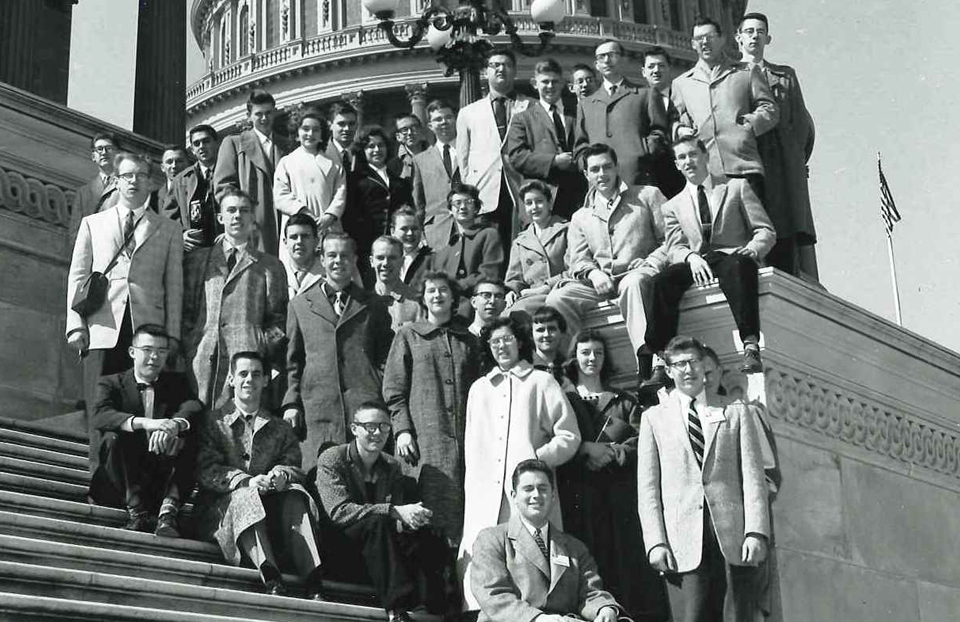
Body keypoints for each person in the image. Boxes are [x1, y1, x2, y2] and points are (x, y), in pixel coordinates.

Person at [637, 336, 770, 622]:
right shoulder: (654, 419)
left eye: (694, 362)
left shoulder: (735, 411)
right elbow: (648, 489)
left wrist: (756, 532)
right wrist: (655, 542)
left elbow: (753, 477)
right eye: (680, 364)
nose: (688, 370)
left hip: (733, 539)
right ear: (669, 371)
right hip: (680, 543)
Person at [66, 151, 183, 471]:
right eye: (127, 176)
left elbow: (174, 286)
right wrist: (76, 325)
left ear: (151, 182)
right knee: (99, 405)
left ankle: (136, 486)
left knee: (143, 405)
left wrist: (171, 336)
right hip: (102, 326)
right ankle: (97, 476)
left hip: (148, 329)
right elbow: (78, 276)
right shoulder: (93, 224)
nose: (134, 181)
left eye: (141, 176)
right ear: (116, 181)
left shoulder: (168, 229)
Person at [459, 316, 580, 613]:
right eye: (495, 342)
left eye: (508, 339)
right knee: (486, 563)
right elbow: (471, 447)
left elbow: (569, 435)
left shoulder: (541, 381)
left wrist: (538, 461)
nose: (501, 346)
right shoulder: (479, 389)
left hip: (529, 492)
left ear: (521, 343)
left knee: (531, 563)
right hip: (485, 494)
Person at [638, 137, 775, 385]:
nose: (688, 161)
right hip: (698, 261)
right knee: (660, 281)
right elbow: (675, 246)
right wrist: (690, 257)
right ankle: (660, 357)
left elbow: (765, 231)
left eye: (692, 154)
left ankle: (750, 344)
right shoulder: (673, 206)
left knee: (739, 265)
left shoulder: (736, 187)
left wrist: (753, 249)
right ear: (676, 165)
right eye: (681, 158)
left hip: (730, 256)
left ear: (705, 156)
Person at [555, 330, 668, 622]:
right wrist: (585, 452)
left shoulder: (624, 400)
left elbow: (643, 440)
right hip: (581, 495)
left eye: (598, 352)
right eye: (585, 352)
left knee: (625, 562)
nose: (592, 358)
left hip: (619, 496)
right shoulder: (564, 400)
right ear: (574, 358)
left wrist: (613, 453)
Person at [195, 351, 324, 598]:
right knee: (245, 496)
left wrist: (280, 476)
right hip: (221, 511)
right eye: (243, 374)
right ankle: (272, 577)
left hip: (270, 510)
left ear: (266, 380)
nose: (249, 380)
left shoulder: (279, 427)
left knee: (296, 494)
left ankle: (313, 578)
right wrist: (245, 481)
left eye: (256, 374)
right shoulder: (213, 422)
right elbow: (206, 468)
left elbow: (293, 464)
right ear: (231, 379)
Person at [316, 402, 455, 622]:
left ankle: (436, 605)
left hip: (379, 552)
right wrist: (393, 511)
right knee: (377, 523)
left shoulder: (391, 465)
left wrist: (412, 519)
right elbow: (339, 512)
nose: (378, 433)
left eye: (384, 427)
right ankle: (396, 609)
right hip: (339, 547)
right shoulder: (333, 458)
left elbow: (396, 521)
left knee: (426, 534)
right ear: (354, 429)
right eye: (370, 427)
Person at [382, 271, 480, 547]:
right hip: (422, 445)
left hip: (463, 445)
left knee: (459, 519)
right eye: (431, 291)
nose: (437, 295)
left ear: (453, 298)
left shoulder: (468, 341)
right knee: (425, 517)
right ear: (423, 299)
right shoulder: (408, 335)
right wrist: (402, 431)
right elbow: (393, 390)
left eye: (443, 291)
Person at [545, 144, 668, 356]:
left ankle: (646, 360)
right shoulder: (581, 217)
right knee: (557, 299)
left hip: (639, 275)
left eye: (606, 167)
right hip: (601, 284)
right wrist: (594, 273)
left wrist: (650, 262)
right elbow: (578, 260)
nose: (602, 174)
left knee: (633, 283)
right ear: (586, 174)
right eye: (594, 170)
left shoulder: (647, 196)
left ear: (616, 168)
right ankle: (575, 365)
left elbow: (672, 239)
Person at [283, 232, 394, 467]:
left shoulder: (373, 305)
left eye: (344, 256)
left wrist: (376, 387)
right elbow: (293, 362)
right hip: (318, 410)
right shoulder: (300, 306)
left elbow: (387, 357)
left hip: (364, 410)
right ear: (321, 259)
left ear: (355, 260)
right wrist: (292, 403)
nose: (338, 261)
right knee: (321, 478)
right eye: (331, 255)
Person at [471, 459, 623, 622]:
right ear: (514, 496)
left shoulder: (574, 548)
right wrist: (537, 619)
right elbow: (493, 595)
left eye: (542, 489)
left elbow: (590, 593)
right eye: (528, 489)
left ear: (553, 497)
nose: (536, 495)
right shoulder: (491, 539)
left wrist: (605, 608)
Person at [88, 324, 202, 537]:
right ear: (132, 352)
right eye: (147, 350)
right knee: (114, 436)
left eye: (161, 351)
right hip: (117, 484)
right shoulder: (110, 382)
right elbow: (99, 416)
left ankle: (169, 510)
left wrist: (174, 425)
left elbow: (194, 406)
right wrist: (147, 423)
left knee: (192, 436)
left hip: (157, 478)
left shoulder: (176, 383)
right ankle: (137, 512)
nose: (154, 357)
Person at [670, 18, 778, 240]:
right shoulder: (682, 83)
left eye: (710, 37)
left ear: (722, 39)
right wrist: (680, 129)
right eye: (699, 39)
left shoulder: (746, 72)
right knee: (718, 236)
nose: (705, 43)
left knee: (756, 232)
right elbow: (676, 118)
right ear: (692, 44)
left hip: (743, 163)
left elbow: (769, 109)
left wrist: (746, 127)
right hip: (708, 170)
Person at [182, 189, 288, 409]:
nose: (237, 216)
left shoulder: (270, 265)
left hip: (245, 366)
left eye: (244, 211)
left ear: (252, 218)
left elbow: (278, 320)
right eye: (231, 210)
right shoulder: (197, 260)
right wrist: (192, 345)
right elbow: (186, 312)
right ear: (221, 218)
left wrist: (258, 345)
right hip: (200, 362)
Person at [736, 12, 818, 280]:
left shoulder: (785, 75)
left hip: (781, 164)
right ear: (738, 38)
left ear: (768, 38)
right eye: (749, 31)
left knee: (785, 227)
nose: (754, 36)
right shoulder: (731, 75)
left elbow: (800, 122)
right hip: (748, 161)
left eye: (760, 31)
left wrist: (793, 158)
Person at [457, 48, 533, 246]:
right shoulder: (468, 113)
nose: (501, 69)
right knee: (488, 250)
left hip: (520, 188)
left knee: (521, 248)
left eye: (506, 65)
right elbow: (463, 158)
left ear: (515, 71)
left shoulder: (531, 106)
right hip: (484, 192)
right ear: (485, 72)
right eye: (494, 65)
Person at [573, 39, 671, 188]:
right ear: (596, 65)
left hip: (637, 179)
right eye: (601, 57)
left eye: (612, 55)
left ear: (623, 59)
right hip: (600, 184)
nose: (606, 60)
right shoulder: (585, 105)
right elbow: (580, 145)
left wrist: (642, 152)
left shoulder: (646, 94)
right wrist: (587, 166)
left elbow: (660, 131)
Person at [506, 58, 587, 220]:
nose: (550, 86)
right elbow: (516, 157)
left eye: (555, 82)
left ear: (563, 83)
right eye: (545, 82)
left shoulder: (578, 113)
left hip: (578, 196)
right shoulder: (522, 119)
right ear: (534, 83)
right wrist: (554, 161)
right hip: (542, 197)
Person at [214, 89, 291, 256]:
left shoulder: (287, 145)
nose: (264, 118)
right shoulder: (234, 143)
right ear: (249, 115)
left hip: (284, 223)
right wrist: (240, 214)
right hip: (252, 225)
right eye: (259, 114)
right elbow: (223, 186)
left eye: (269, 113)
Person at [273, 107, 346, 271]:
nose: (310, 134)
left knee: (328, 268)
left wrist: (330, 216)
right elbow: (281, 195)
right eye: (305, 129)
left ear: (322, 135)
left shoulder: (333, 164)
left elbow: (340, 194)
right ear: (297, 134)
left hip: (326, 225)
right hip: (297, 224)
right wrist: (303, 212)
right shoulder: (287, 162)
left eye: (316, 130)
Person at [344, 125, 413, 281]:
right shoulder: (355, 180)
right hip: (367, 250)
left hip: (396, 248)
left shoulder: (400, 182)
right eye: (371, 146)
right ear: (363, 150)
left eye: (380, 145)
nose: (377, 150)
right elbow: (350, 217)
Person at [427, 183, 504, 317]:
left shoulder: (488, 235)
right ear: (450, 210)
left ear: (476, 208)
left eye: (468, 202)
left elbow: (489, 274)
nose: (462, 207)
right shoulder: (447, 245)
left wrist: (457, 286)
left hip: (475, 304)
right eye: (457, 203)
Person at [503, 181, 568, 318]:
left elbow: (575, 268)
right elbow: (515, 278)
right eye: (529, 203)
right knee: (505, 316)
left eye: (539, 201)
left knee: (519, 312)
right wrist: (511, 291)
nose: (534, 207)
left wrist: (546, 286)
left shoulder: (566, 230)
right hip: (530, 296)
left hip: (559, 290)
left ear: (549, 203)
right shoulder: (520, 242)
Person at [641, 47, 686, 198]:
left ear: (669, 69)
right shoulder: (637, 101)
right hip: (652, 174)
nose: (656, 70)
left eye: (661, 65)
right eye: (651, 66)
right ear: (643, 71)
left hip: (686, 168)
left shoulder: (684, 96)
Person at [413, 100, 460, 236]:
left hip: (469, 227)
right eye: (438, 119)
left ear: (455, 120)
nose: (444, 122)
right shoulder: (420, 160)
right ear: (430, 126)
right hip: (436, 231)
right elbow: (418, 202)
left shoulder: (470, 152)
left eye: (448, 117)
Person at [68, 132, 121, 251]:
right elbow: (75, 233)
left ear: (117, 154)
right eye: (99, 149)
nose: (103, 152)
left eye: (108, 148)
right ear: (93, 156)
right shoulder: (83, 193)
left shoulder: (126, 185)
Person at [173, 124, 222, 252]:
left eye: (206, 141)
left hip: (224, 244)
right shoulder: (181, 179)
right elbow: (169, 216)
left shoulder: (231, 171)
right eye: (196, 143)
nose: (201, 147)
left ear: (216, 143)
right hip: (194, 249)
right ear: (193, 150)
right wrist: (181, 235)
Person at [370, 235, 421, 329]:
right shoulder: (362, 302)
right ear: (371, 261)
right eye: (380, 258)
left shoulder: (417, 303)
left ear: (402, 262)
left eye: (392, 258)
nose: (385, 263)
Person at [282, 212, 325, 300]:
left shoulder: (328, 274)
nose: (299, 242)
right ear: (285, 242)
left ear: (316, 241)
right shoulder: (277, 273)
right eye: (294, 237)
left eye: (305, 236)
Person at [392, 206, 434, 294]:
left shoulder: (432, 260)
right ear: (392, 231)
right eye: (404, 228)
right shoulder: (385, 259)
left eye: (414, 229)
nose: (410, 233)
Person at [529, 305, 568, 386]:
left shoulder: (571, 368)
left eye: (552, 329)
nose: (546, 334)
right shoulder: (525, 367)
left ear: (562, 333)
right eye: (540, 330)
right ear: (531, 335)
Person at [156, 145, 190, 220]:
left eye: (179, 161)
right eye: (169, 162)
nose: (174, 166)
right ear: (162, 167)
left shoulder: (195, 189)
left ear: (188, 164)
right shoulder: (153, 198)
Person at [325, 102, 359, 175]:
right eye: (341, 124)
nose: (347, 128)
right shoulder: (321, 154)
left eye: (351, 124)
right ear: (330, 125)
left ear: (357, 126)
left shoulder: (363, 153)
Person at [388, 113, 424, 180]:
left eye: (414, 127)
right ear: (398, 137)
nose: (410, 133)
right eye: (404, 130)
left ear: (421, 130)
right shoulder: (392, 166)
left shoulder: (436, 155)